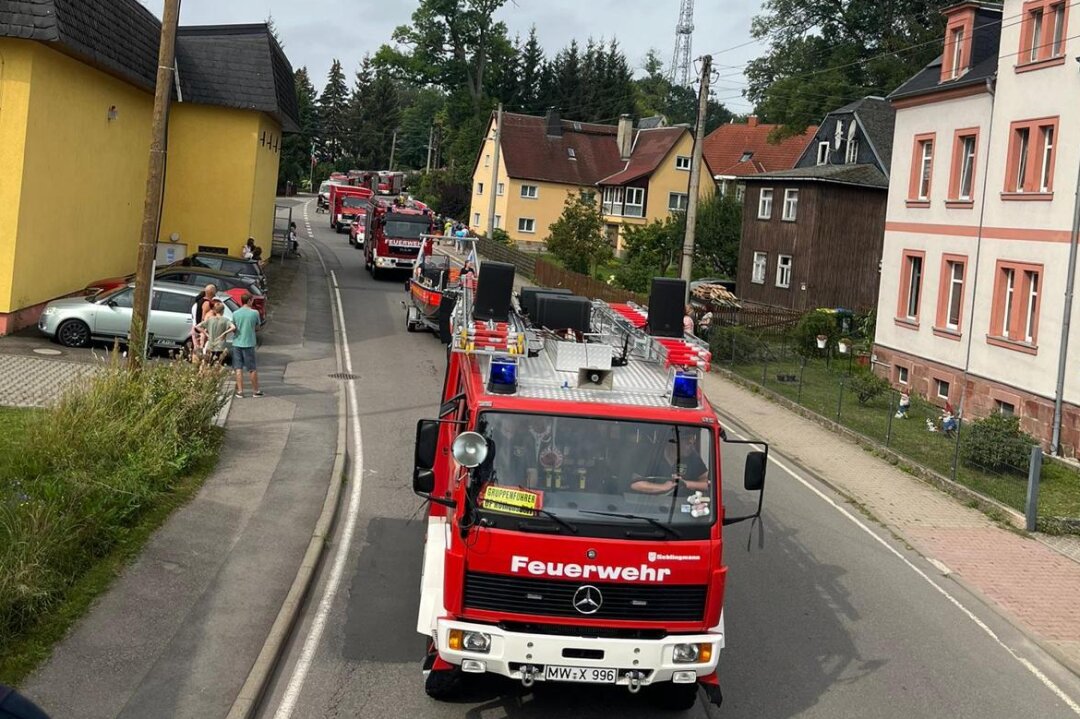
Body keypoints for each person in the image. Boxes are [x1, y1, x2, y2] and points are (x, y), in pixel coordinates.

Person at [631, 429, 709, 495]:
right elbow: (636, 484)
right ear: (673, 442)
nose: (692, 447)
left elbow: (707, 483)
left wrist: (684, 483)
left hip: (681, 505)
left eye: (693, 443)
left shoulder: (692, 456)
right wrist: (663, 487)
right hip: (650, 504)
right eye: (688, 443)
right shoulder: (653, 454)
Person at [231, 293, 262, 398]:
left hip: (237, 343)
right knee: (252, 368)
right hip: (249, 343)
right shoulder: (255, 313)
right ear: (249, 301)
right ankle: (255, 390)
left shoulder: (235, 313)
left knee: (238, 368)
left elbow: (233, 326)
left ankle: (240, 391)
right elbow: (258, 327)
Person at [196, 300, 233, 367]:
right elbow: (233, 327)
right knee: (218, 364)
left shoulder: (210, 319)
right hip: (220, 345)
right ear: (223, 311)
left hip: (210, 344)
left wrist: (206, 334)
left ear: (215, 310)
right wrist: (224, 332)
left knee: (208, 364)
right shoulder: (225, 320)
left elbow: (197, 326)